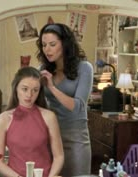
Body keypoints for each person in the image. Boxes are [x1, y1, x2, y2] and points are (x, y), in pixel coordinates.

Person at [36, 23, 94, 176]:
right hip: (51, 139)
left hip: (76, 140)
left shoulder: (84, 68)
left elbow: (78, 107)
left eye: (52, 44)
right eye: (44, 45)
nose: (47, 49)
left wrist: (52, 88)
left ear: (65, 44)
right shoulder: (43, 69)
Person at [0, 66, 64, 177]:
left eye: (35, 90)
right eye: (24, 89)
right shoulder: (2, 120)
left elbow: (59, 156)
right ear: (16, 88)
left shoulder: (49, 117)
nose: (29, 95)